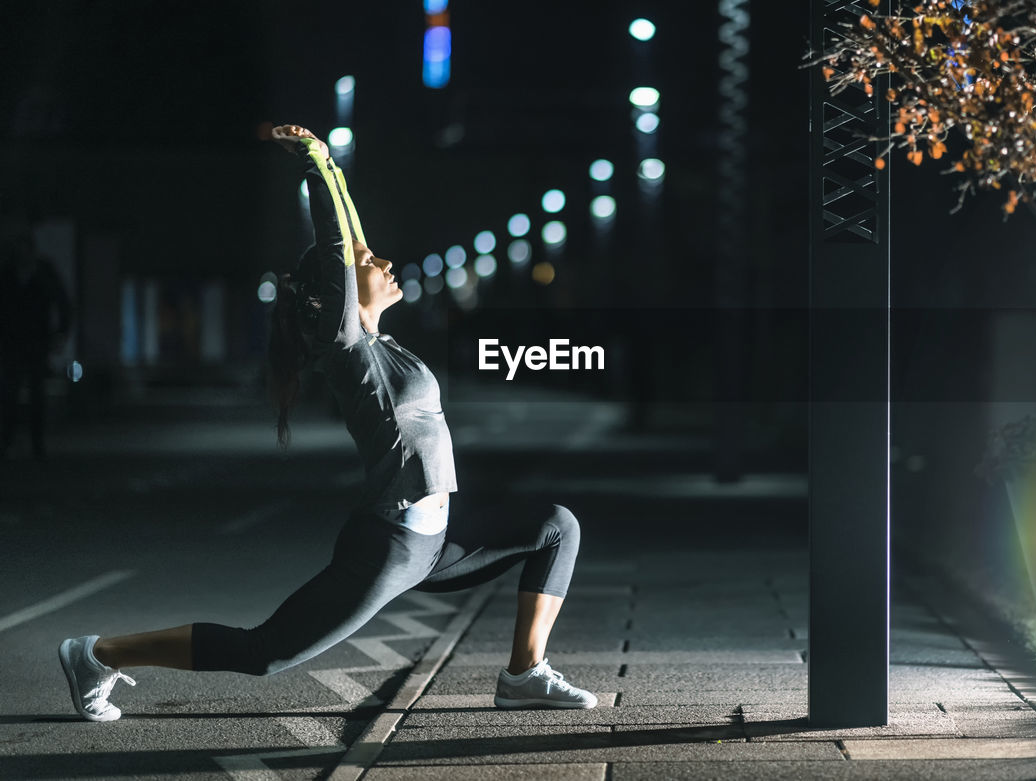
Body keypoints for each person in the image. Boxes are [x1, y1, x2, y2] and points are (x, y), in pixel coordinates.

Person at [57, 125, 596, 722]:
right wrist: (316, 166)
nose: (385, 262)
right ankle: (100, 654)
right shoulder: (346, 347)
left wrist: (334, 167)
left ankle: (523, 674)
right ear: (337, 293)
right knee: (266, 654)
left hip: (435, 543)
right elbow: (342, 245)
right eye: (371, 263)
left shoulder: (376, 341)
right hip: (393, 544)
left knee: (555, 525)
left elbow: (354, 240)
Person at [0, 230, 73, 459]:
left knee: (35, 394)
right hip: (11, 342)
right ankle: (8, 439)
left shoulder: (42, 272)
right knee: (10, 394)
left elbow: (63, 302)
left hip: (35, 341)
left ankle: (35, 442)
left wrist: (60, 333)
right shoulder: (7, 273)